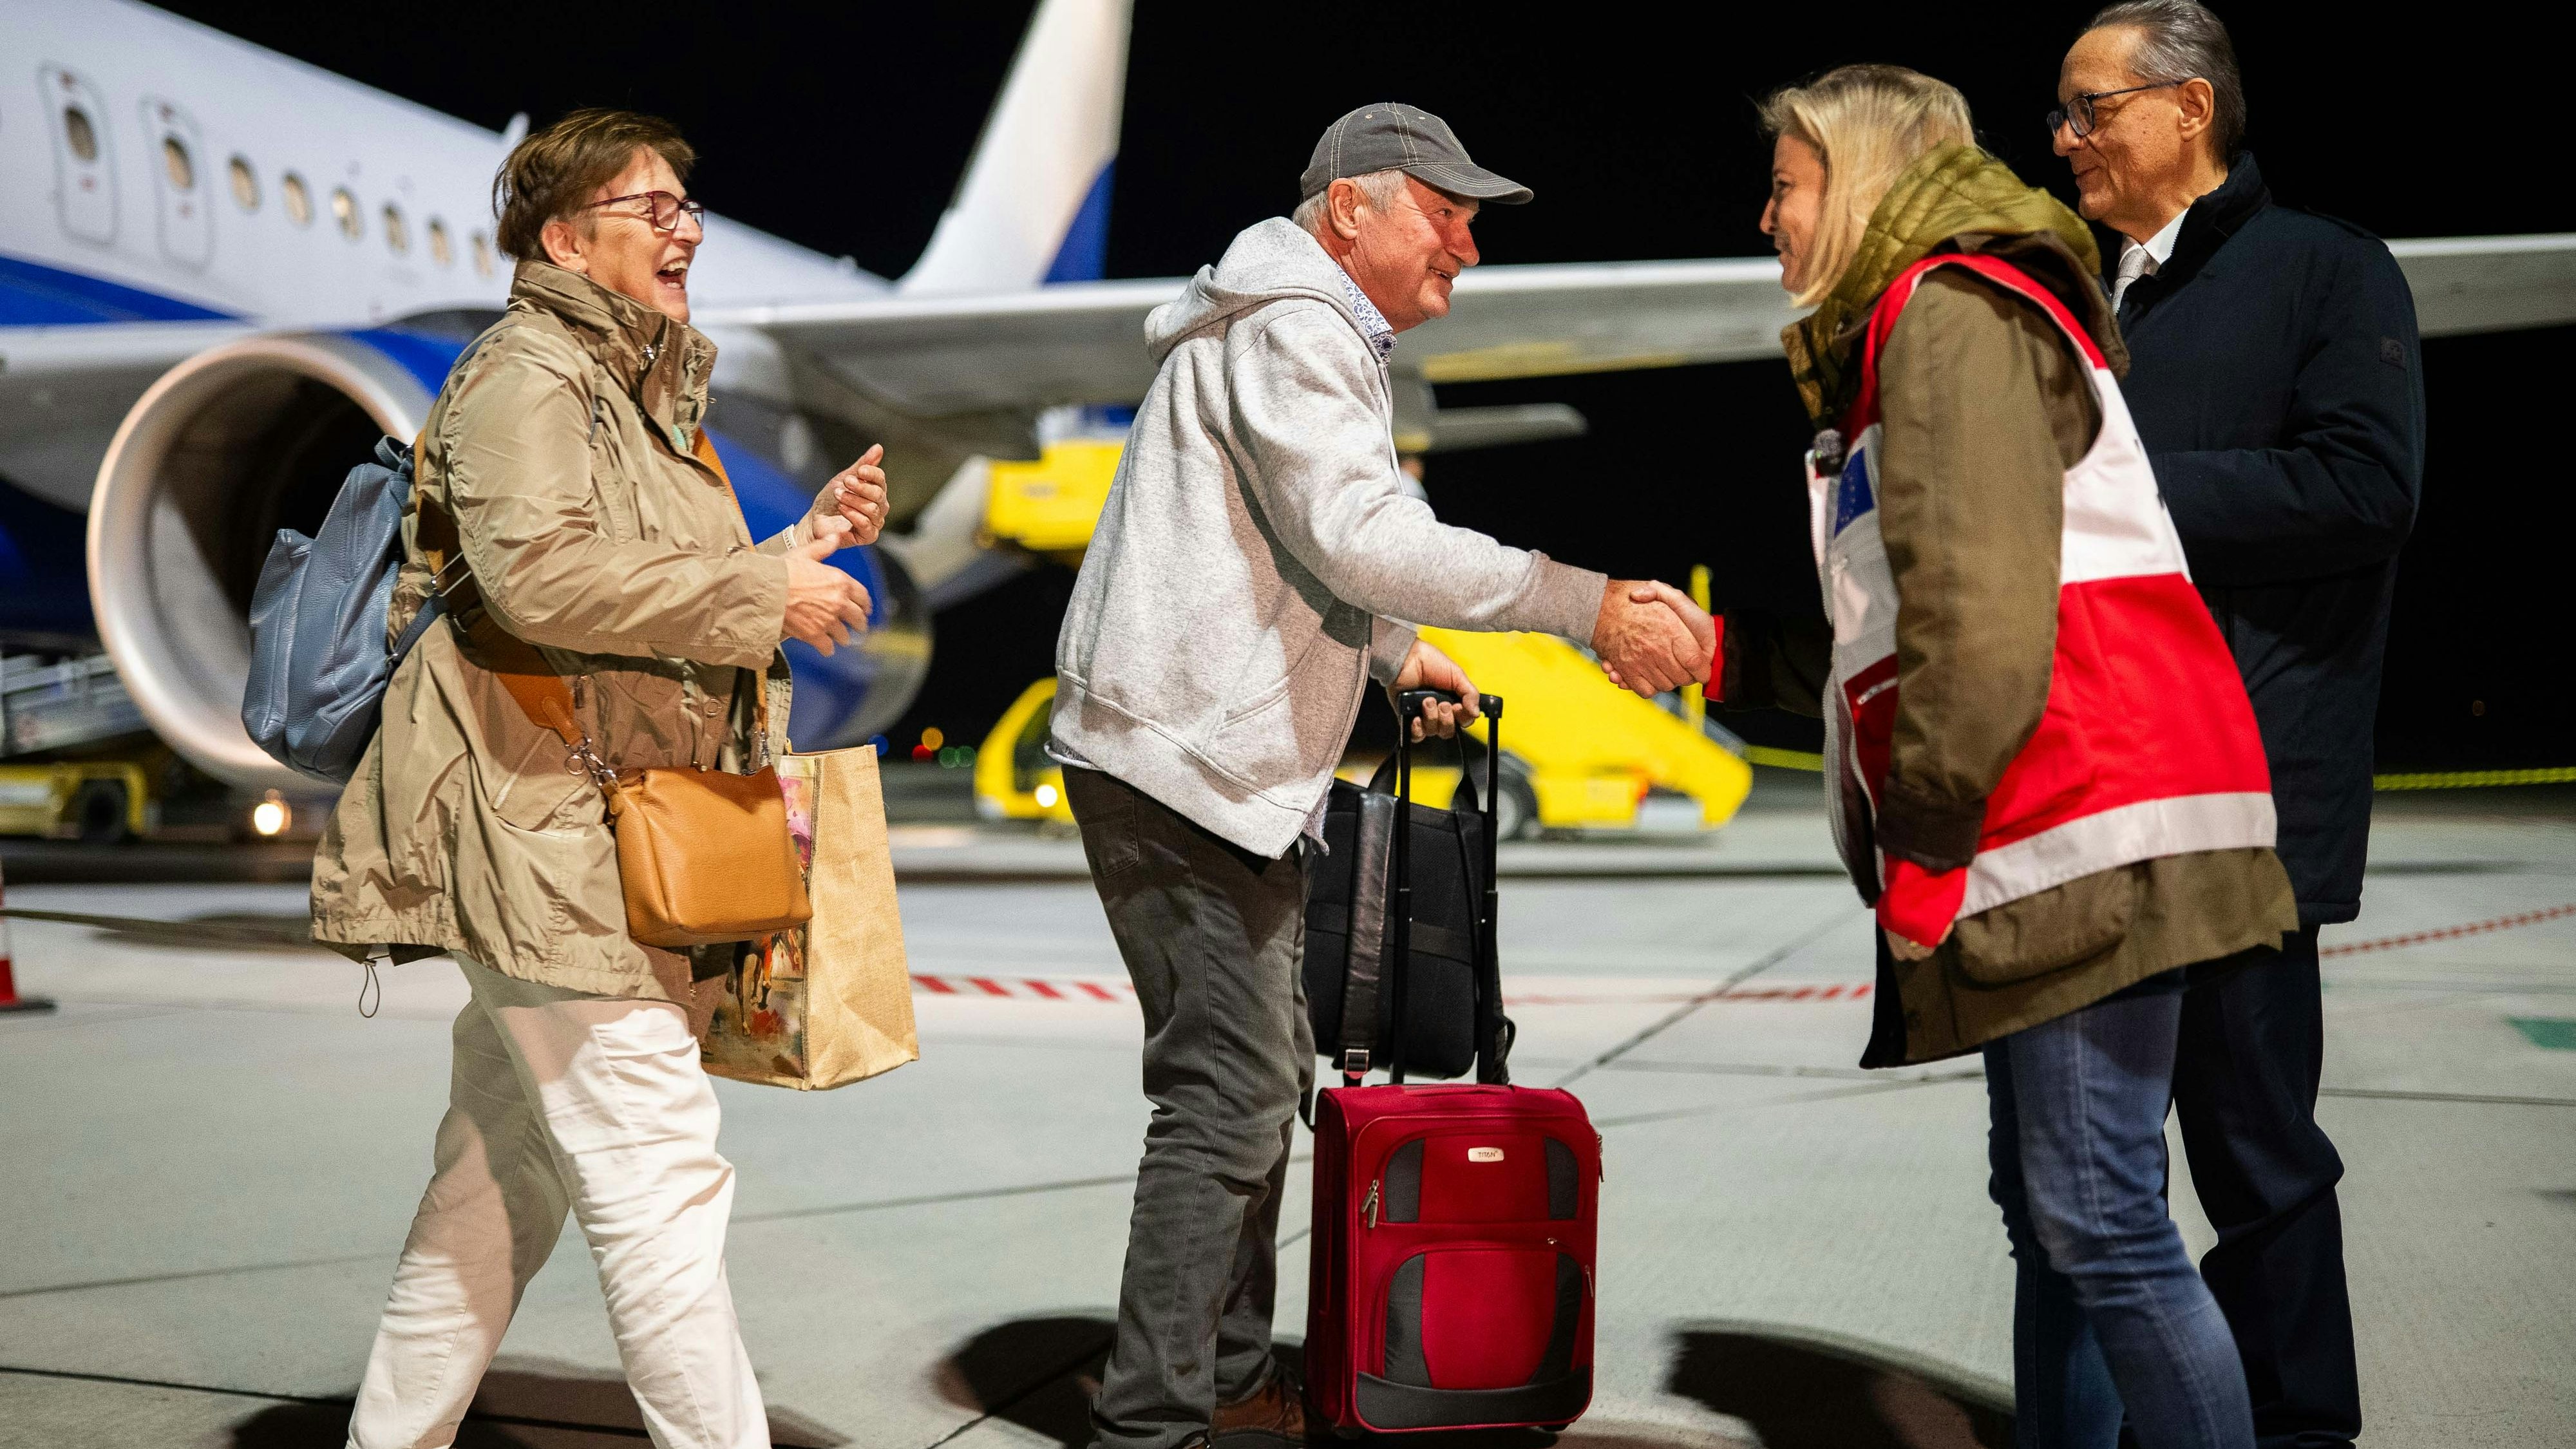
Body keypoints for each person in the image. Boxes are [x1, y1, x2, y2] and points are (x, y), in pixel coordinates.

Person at [1049, 102, 1712, 1449]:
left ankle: (1229, 1380)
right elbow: (1353, 531)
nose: (1466, 240)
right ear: (1348, 205)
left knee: (1257, 1075)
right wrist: (1577, 602)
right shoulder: (1296, 325)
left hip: (1212, 758)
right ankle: (1149, 1424)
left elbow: (1297, 539)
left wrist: (1397, 652)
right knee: (1225, 1094)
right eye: (1441, 207)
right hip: (1178, 760)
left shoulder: (1299, 324)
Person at [1723, 65, 2302, 1448]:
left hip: (2071, 823)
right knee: (2058, 1225)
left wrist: (1924, 832)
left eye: (1786, 186)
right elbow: (1899, 621)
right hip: (2047, 824)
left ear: (1857, 179)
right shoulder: (1911, 333)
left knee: (2100, 1226)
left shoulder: (1948, 317)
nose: (1766, 219)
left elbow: (1978, 625)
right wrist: (1738, 663)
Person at [310, 109, 890, 1449]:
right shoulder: (529, 375)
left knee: (494, 1188)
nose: (686, 230)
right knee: (657, 1183)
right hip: (540, 833)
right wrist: (763, 589)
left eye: (689, 207)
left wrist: (799, 542)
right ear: (567, 238)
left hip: (582, 833)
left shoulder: (628, 390)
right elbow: (538, 578)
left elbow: (635, 598)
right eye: (654, 209)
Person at [2055, 8, 2422, 1443]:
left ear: (2186, 108)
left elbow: (2362, 490)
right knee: (2099, 1176)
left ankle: (2294, 1428)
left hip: (2247, 803)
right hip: (2101, 791)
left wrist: (2110, 484)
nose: (2066, 139)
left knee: (2253, 1150)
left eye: (2088, 109)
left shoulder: (2324, 271)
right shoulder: (2092, 295)